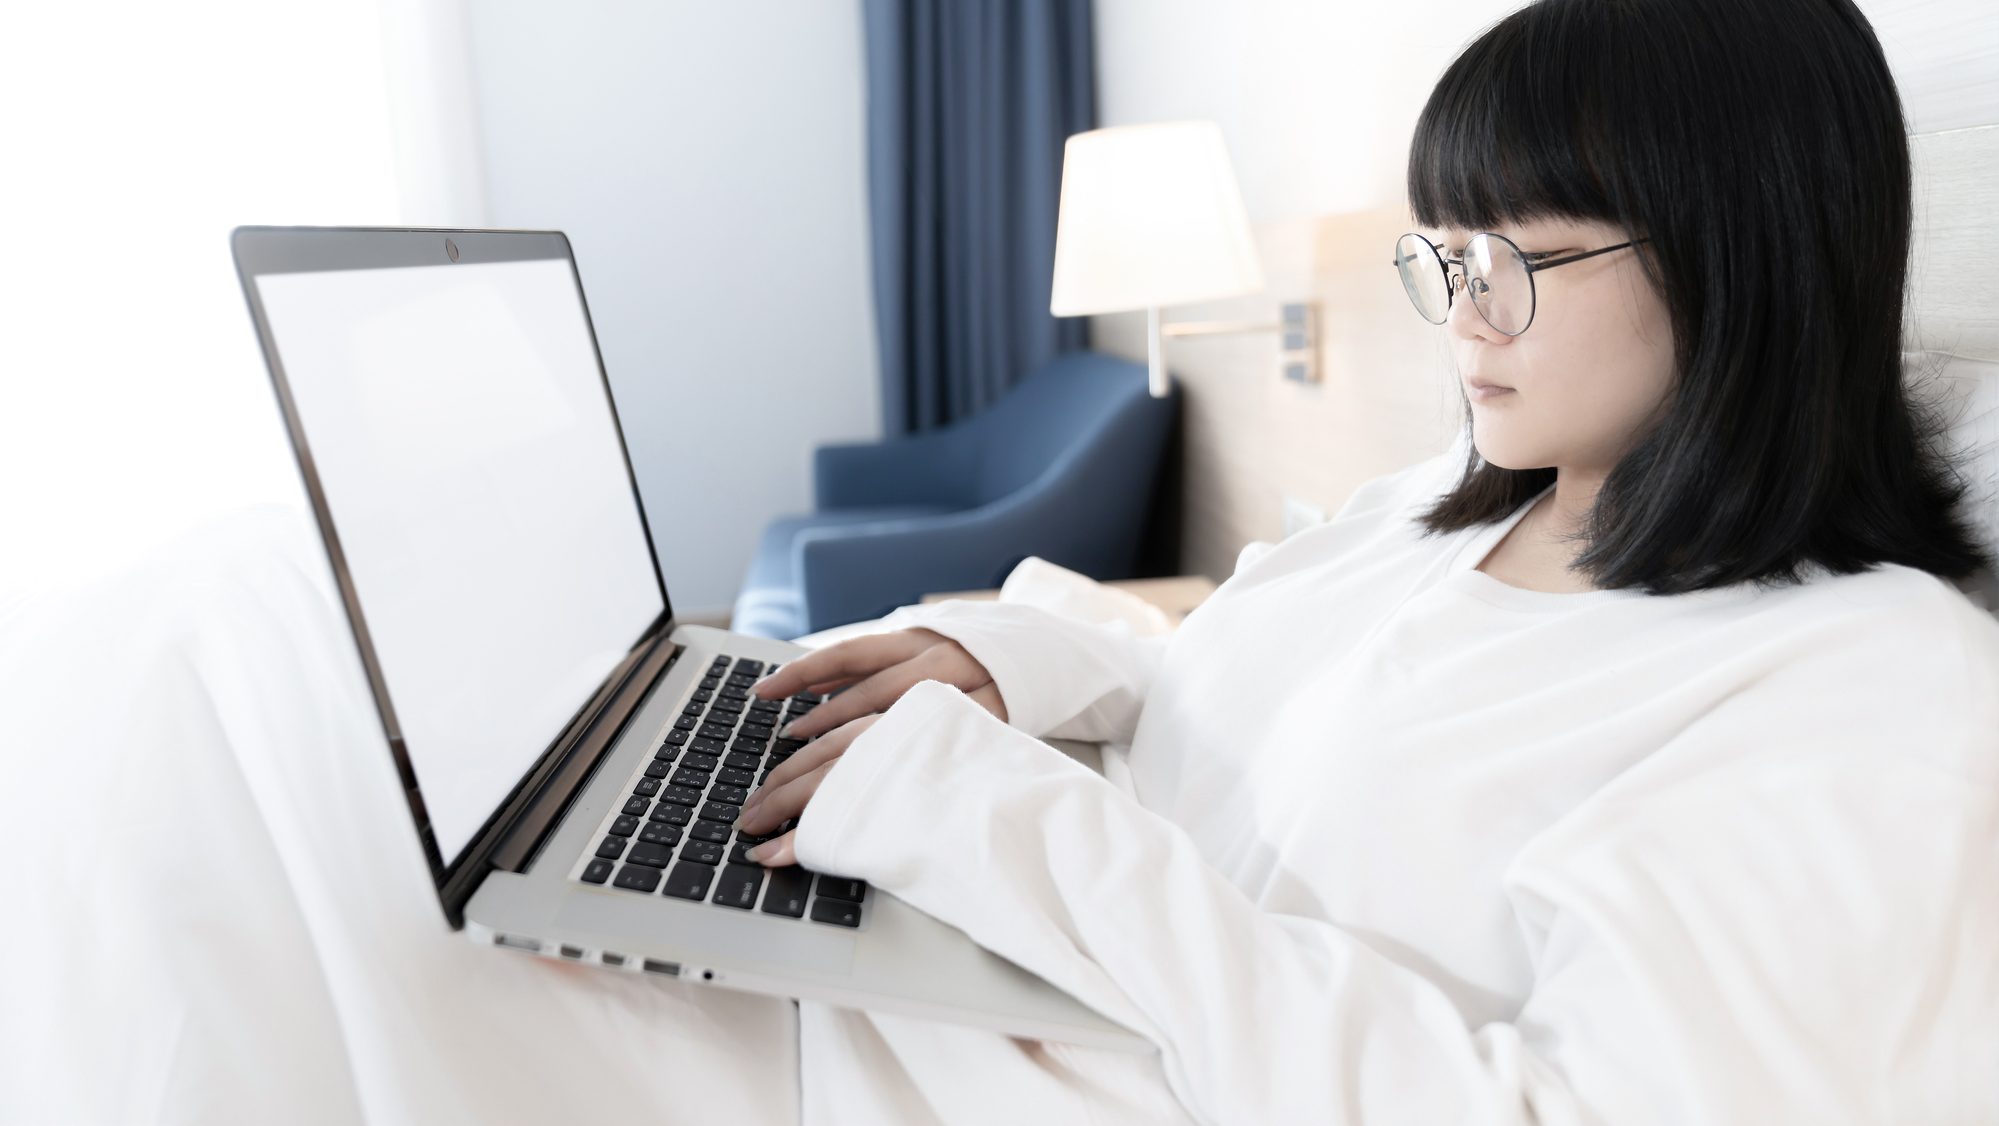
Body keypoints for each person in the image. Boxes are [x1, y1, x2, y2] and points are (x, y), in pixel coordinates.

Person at [727, 0, 1999, 1121]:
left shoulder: (1871, 682)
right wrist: (1011, 663)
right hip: (942, 987)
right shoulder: (1438, 505)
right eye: (1444, 255)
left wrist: (1006, 821)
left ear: (1746, 252)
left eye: (1514, 259)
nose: (1461, 314)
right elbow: (1234, 688)